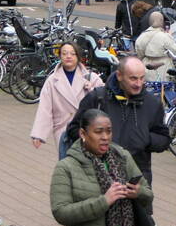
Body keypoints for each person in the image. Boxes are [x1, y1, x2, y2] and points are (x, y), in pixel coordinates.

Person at [51, 108, 152, 226]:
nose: (105, 137)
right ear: (83, 134)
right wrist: (103, 201)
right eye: (98, 132)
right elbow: (60, 212)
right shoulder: (66, 167)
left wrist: (137, 193)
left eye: (109, 131)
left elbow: (148, 194)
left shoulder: (122, 157)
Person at [67, 56, 170, 187]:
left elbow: (164, 139)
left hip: (135, 182)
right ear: (119, 75)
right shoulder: (97, 98)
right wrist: (93, 141)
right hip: (98, 179)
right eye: (133, 78)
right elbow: (73, 129)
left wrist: (147, 139)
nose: (138, 84)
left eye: (142, 78)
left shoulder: (153, 104)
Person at [31, 42, 105, 159]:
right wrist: (39, 135)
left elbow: (103, 101)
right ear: (60, 56)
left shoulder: (92, 78)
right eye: (64, 53)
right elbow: (45, 108)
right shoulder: (52, 81)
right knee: (67, 166)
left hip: (87, 131)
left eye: (72, 54)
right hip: (63, 130)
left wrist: (91, 90)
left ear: (78, 57)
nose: (68, 56)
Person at [134, 10, 176, 83]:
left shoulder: (142, 36)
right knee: (164, 89)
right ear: (162, 21)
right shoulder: (165, 36)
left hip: (147, 67)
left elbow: (139, 53)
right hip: (164, 67)